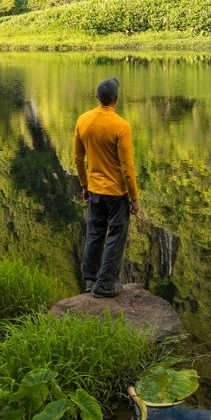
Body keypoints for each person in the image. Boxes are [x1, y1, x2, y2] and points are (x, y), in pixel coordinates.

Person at [73, 76, 141, 298]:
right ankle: (105, 284)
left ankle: (90, 279)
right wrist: (134, 197)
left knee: (94, 232)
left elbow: (77, 158)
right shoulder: (121, 126)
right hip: (116, 193)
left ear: (97, 98)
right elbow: (127, 167)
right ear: (116, 100)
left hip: (94, 189)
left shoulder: (83, 120)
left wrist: (84, 184)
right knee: (116, 234)